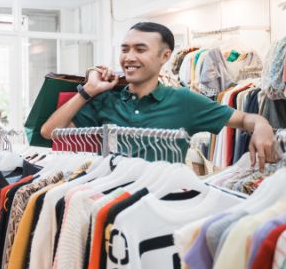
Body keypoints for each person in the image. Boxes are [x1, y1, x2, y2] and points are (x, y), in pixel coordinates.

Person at [41, 21, 276, 170]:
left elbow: (246, 119)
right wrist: (89, 90)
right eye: (125, 49)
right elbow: (49, 132)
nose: (129, 57)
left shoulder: (184, 100)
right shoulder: (107, 100)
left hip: (163, 206)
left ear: (165, 56)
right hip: (110, 203)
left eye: (140, 49)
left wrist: (262, 126)